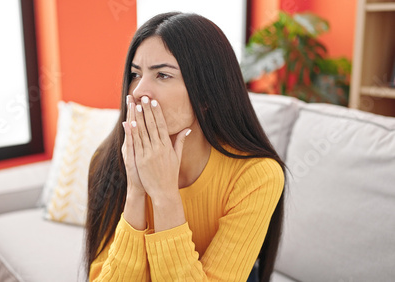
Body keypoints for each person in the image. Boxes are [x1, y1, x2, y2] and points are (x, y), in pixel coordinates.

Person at [85, 12, 286, 282]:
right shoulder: (107, 161)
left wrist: (165, 195)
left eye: (163, 75)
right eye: (135, 74)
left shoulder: (257, 176)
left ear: (206, 93)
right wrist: (135, 191)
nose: (138, 91)